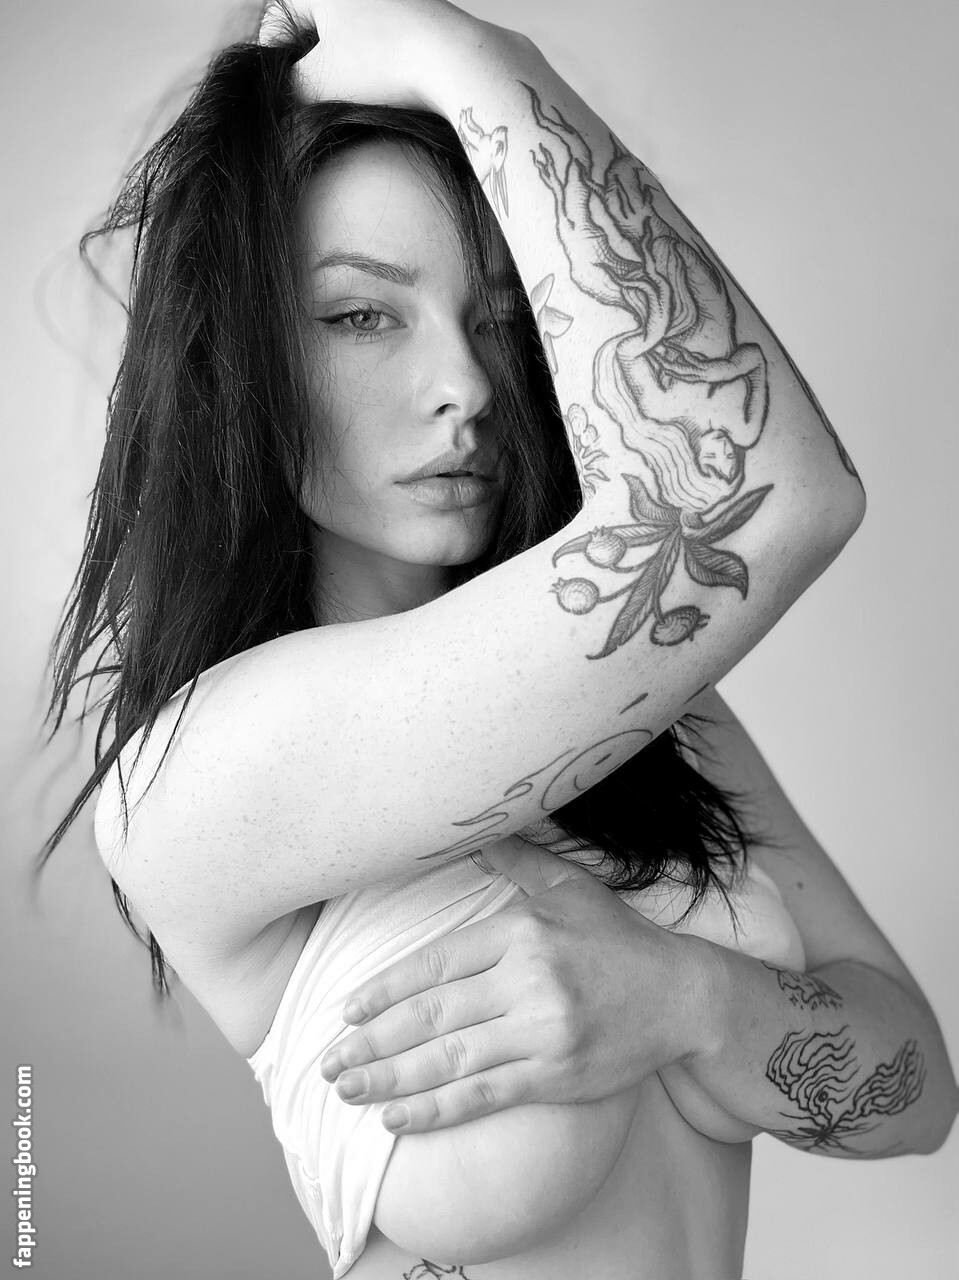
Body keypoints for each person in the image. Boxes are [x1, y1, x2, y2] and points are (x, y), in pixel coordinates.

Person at [35, 2, 956, 1278]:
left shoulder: (654, 708)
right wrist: (468, 55)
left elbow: (918, 1092)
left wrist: (687, 1001)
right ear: (236, 362)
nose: (465, 386)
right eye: (362, 315)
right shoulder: (195, 776)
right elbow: (772, 495)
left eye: (500, 318)